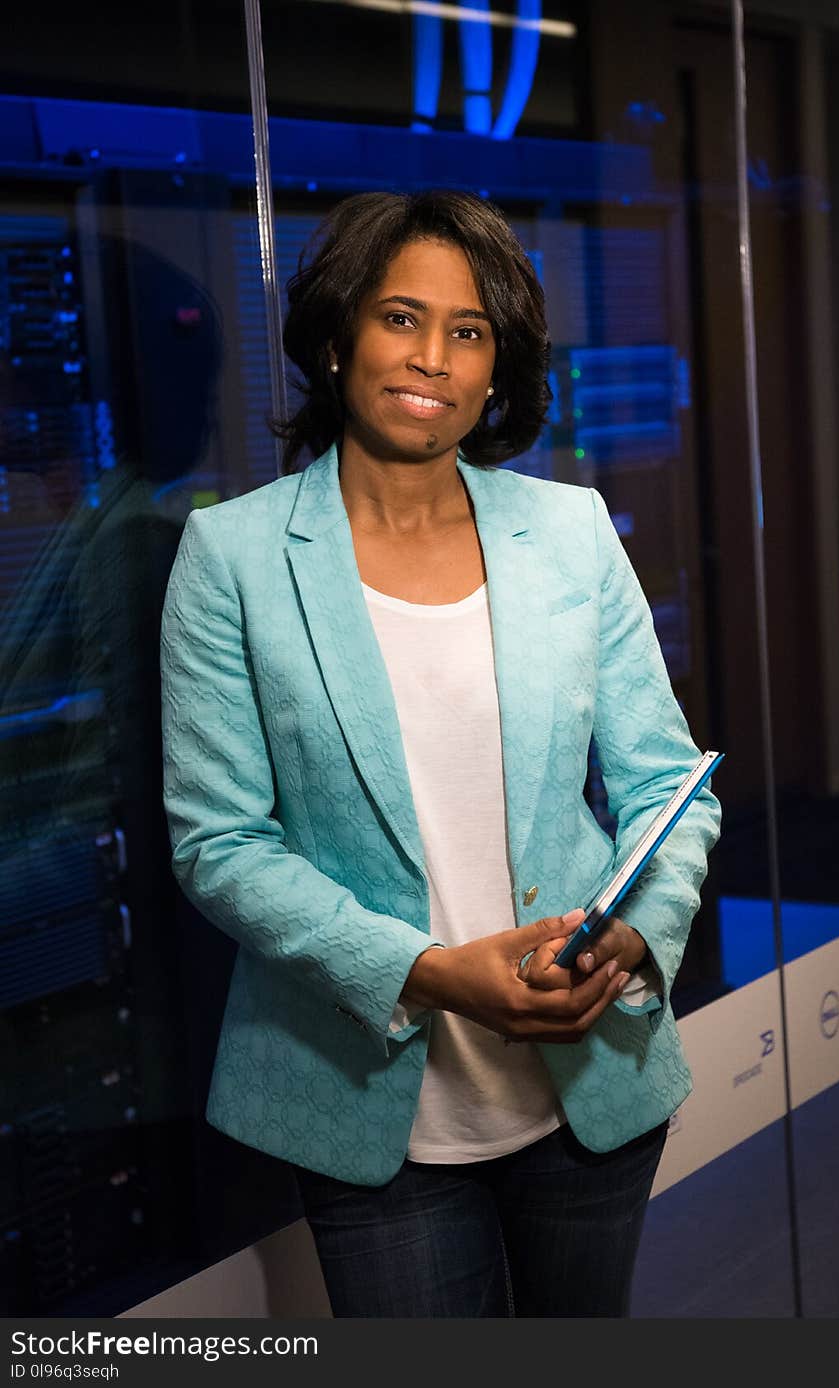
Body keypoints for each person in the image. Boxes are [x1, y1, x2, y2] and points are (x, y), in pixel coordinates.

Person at [159, 189, 722, 1318]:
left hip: (590, 1079)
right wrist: (422, 970)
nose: (432, 357)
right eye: (400, 317)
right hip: (368, 1102)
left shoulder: (568, 533)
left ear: (497, 364)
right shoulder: (232, 555)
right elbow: (219, 841)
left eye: (467, 331)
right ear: (334, 339)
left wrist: (635, 942)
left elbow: (669, 784)